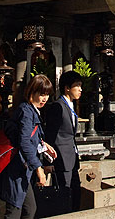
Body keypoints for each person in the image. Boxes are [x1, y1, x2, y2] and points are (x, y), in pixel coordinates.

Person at [0, 74, 57, 219]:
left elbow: (26, 137)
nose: (44, 99)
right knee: (14, 211)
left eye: (46, 95)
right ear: (32, 92)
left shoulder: (29, 111)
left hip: (22, 170)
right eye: (41, 94)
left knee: (29, 209)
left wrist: (42, 144)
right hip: (17, 169)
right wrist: (39, 169)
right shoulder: (27, 112)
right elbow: (24, 142)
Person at [43, 70, 83, 214]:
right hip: (60, 158)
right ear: (67, 88)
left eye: (80, 86)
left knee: (76, 193)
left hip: (72, 159)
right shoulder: (58, 106)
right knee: (64, 196)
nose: (80, 89)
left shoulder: (71, 106)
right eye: (77, 86)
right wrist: (48, 162)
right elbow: (50, 135)